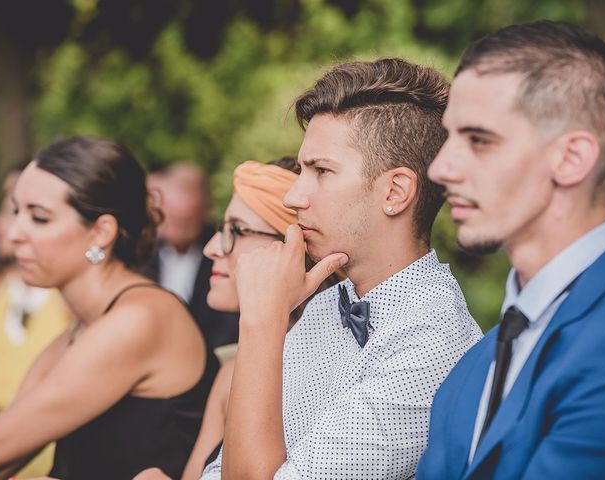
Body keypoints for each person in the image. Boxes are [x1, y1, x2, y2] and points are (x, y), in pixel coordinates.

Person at [201, 58, 482, 479]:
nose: (294, 197)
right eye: (302, 170)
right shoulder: (326, 303)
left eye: (321, 171)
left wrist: (262, 320)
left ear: (395, 191)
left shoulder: (433, 345)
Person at [417, 20, 605, 479]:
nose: (440, 169)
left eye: (479, 140)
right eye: (448, 138)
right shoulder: (467, 373)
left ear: (571, 158)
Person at [0, 136, 217, 480]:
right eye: (16, 211)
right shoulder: (79, 331)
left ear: (101, 232)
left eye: (39, 218)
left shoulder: (139, 319)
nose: (14, 233)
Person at [134, 157, 340, 480]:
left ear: (299, 249)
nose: (212, 248)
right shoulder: (231, 372)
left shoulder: (334, 367)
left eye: (237, 231)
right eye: (220, 228)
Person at [0, 166, 71, 478]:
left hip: (38, 455)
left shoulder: (69, 300)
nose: (3, 225)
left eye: (32, 214)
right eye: (10, 210)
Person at [143, 163, 239, 349]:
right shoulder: (145, 254)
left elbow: (229, 325)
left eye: (186, 220)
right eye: (170, 218)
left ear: (204, 209)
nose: (176, 229)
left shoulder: (220, 251)